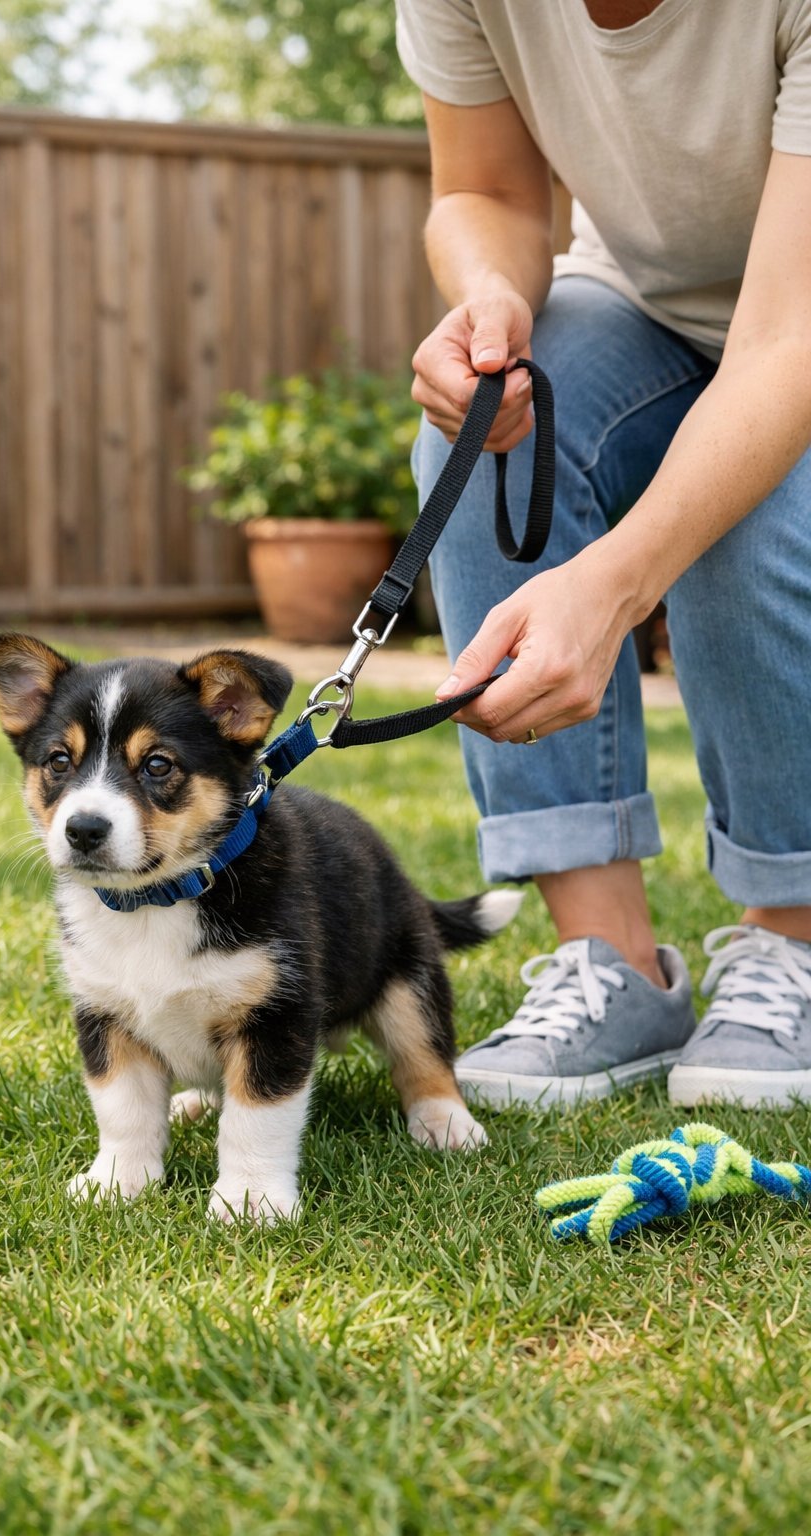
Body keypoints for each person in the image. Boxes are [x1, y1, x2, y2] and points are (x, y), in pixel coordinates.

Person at [395, 0, 811, 1108]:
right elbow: (479, 189)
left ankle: (796, 936)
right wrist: (490, 301)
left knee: (742, 511)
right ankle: (612, 959)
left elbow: (784, 339)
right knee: (475, 442)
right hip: (648, 307)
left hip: (799, 323)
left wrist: (618, 587)